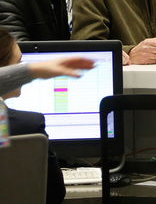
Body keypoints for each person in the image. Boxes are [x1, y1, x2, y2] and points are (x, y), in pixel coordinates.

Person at [0, 28, 93, 204]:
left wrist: (33, 71)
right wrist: (33, 71)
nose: (23, 67)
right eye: (19, 62)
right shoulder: (25, 126)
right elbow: (55, 194)